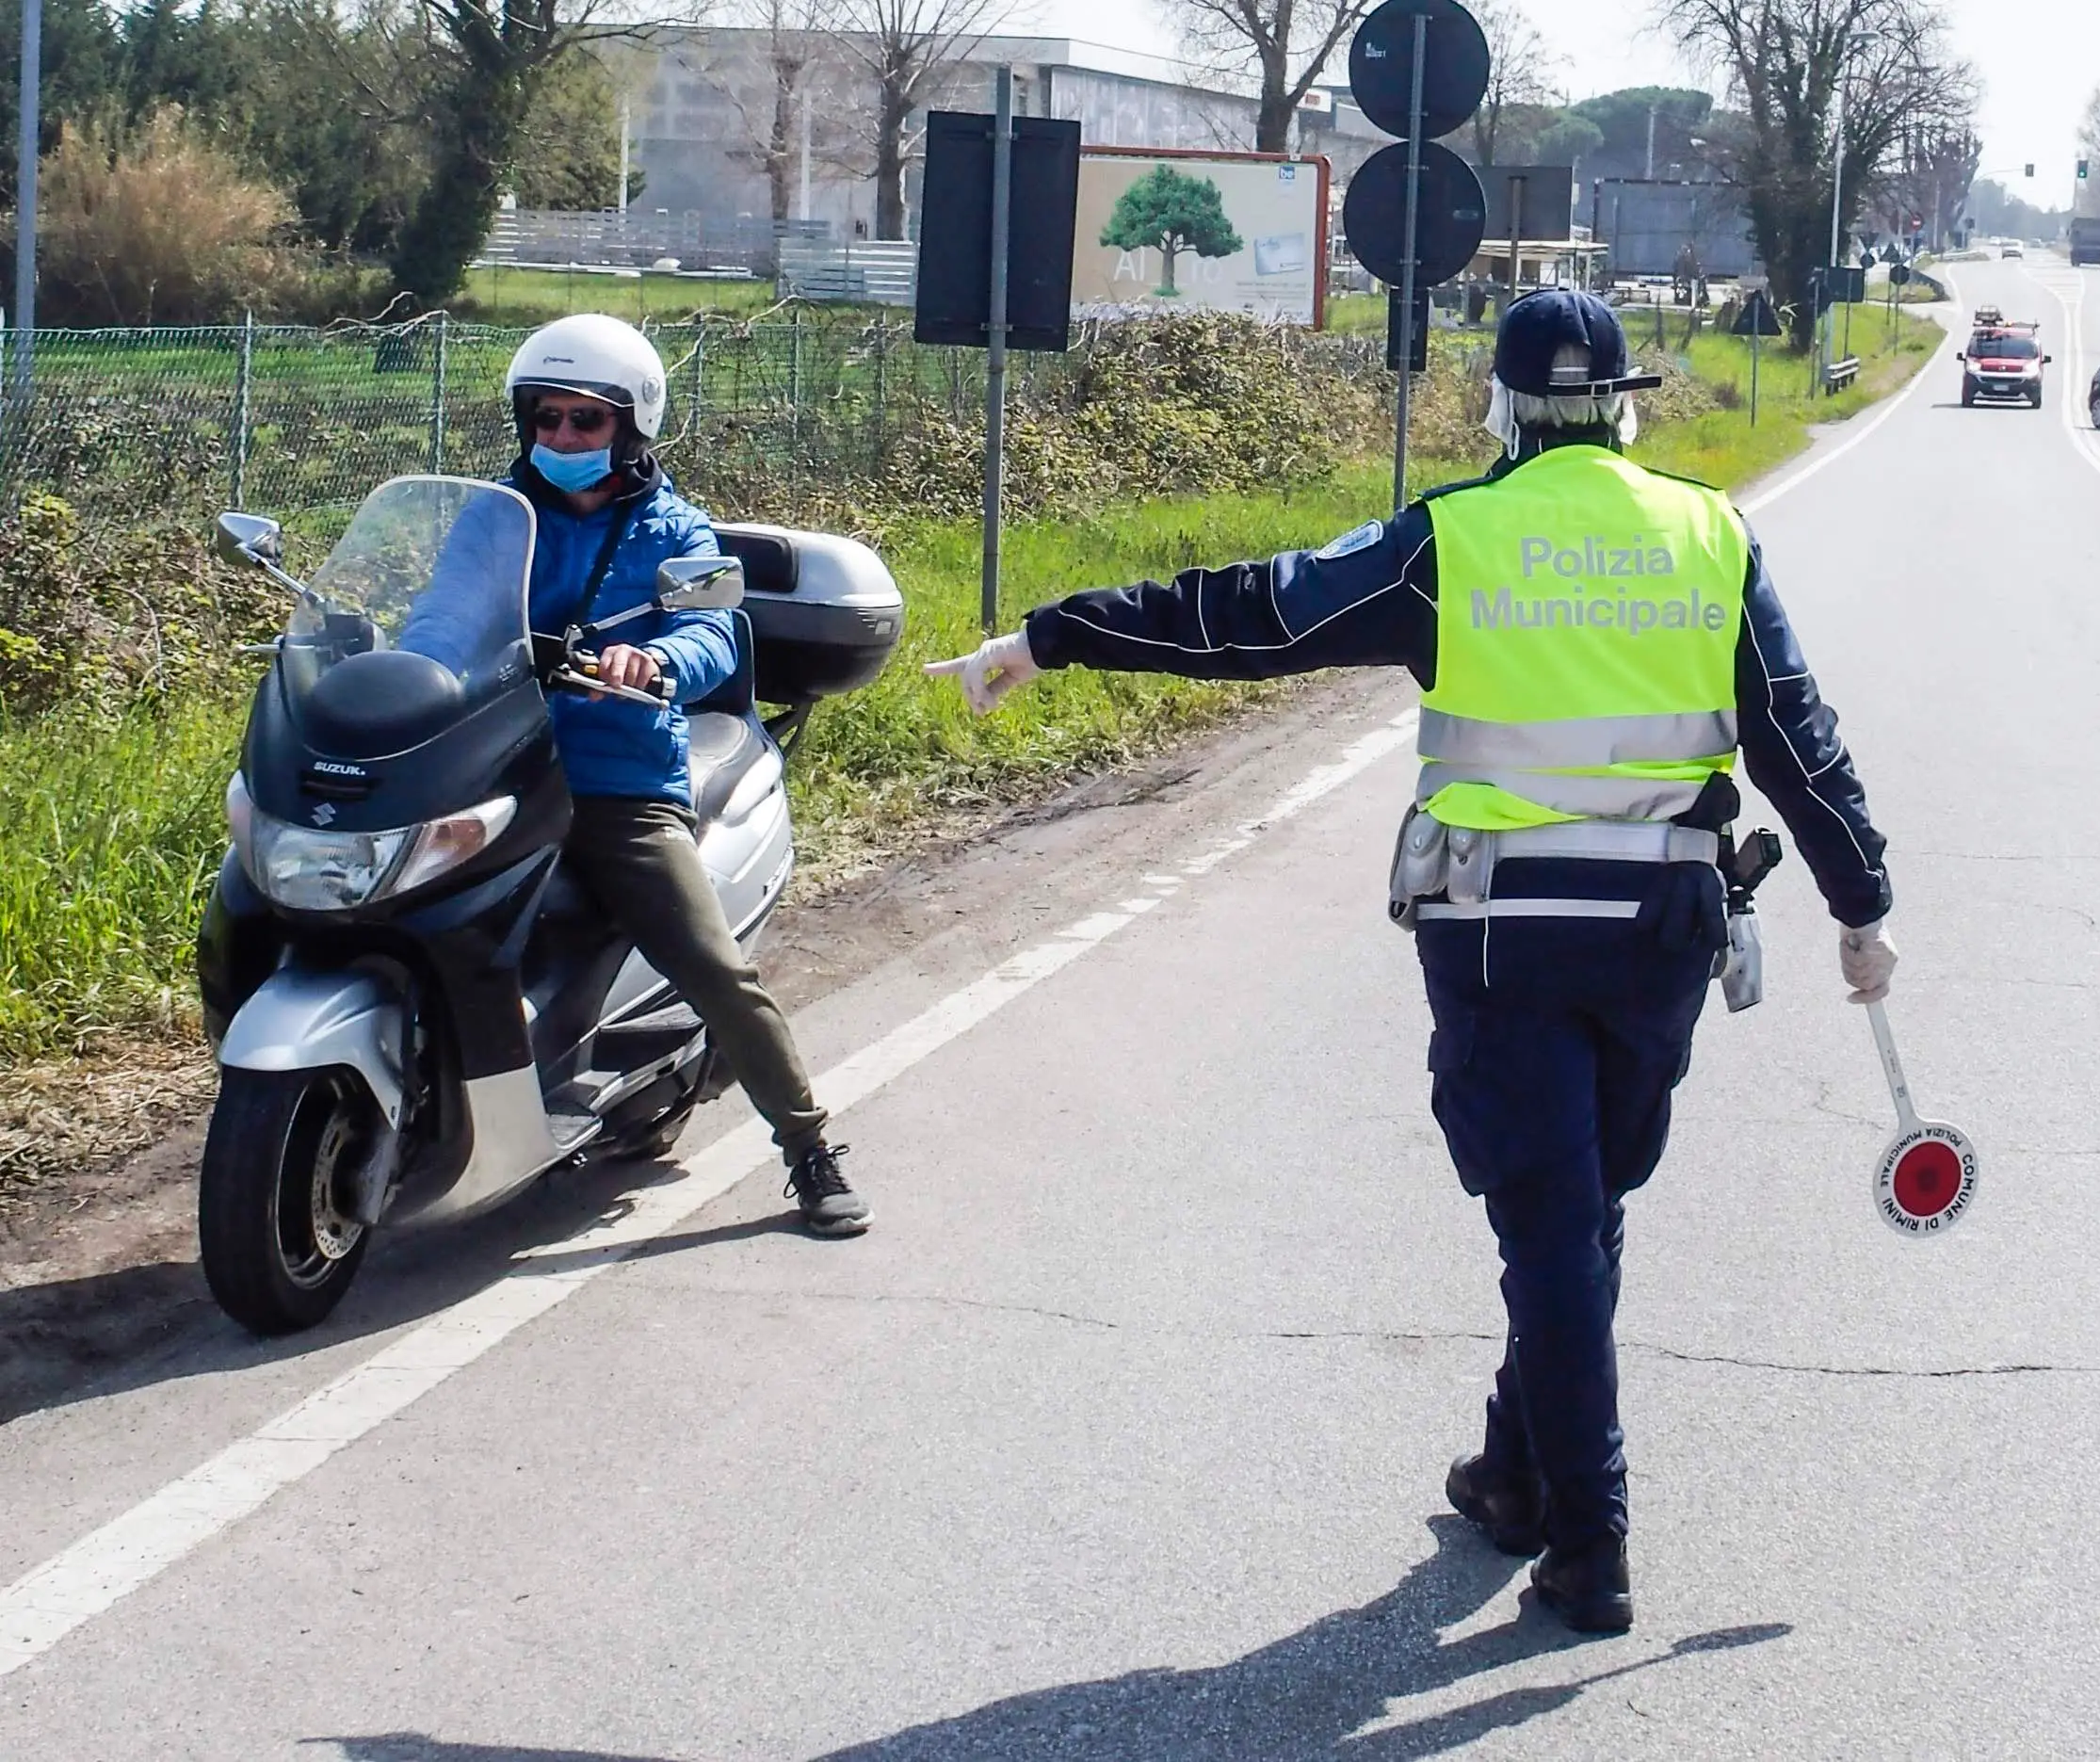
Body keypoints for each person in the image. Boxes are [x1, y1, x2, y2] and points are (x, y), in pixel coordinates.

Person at [924, 290, 1896, 1634]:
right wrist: (1860, 900)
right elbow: (1796, 734)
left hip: (1500, 931)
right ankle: (1513, 1474)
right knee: (1583, 1211)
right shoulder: (1709, 531)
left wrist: (1053, 633)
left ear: (1498, 408)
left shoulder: (1455, 539)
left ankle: (1589, 1539)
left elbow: (1251, 616)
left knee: (1555, 1224)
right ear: (1627, 404)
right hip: (1657, 935)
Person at [419, 315, 868, 1238]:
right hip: (497, 767)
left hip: (616, 783)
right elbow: (444, 615)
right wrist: (413, 668)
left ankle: (810, 1147)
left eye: (585, 423)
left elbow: (715, 629)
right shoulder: (499, 517)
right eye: (546, 421)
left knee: (710, 962)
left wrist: (653, 666)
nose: (562, 441)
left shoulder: (675, 530)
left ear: (630, 428)